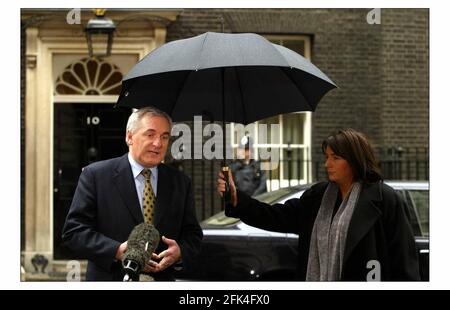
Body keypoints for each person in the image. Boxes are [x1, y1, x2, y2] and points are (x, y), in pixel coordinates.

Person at [217, 128, 420, 281]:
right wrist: (237, 200)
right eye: (326, 157)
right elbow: (276, 216)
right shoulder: (318, 196)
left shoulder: (385, 199)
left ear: (355, 160)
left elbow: (403, 261)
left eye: (335, 158)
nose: (327, 164)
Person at [62, 107, 203, 281]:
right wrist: (116, 250)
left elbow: (193, 235)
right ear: (129, 137)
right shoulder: (96, 176)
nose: (158, 143)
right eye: (150, 135)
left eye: (164, 136)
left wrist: (180, 252)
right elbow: (74, 232)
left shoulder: (180, 182)